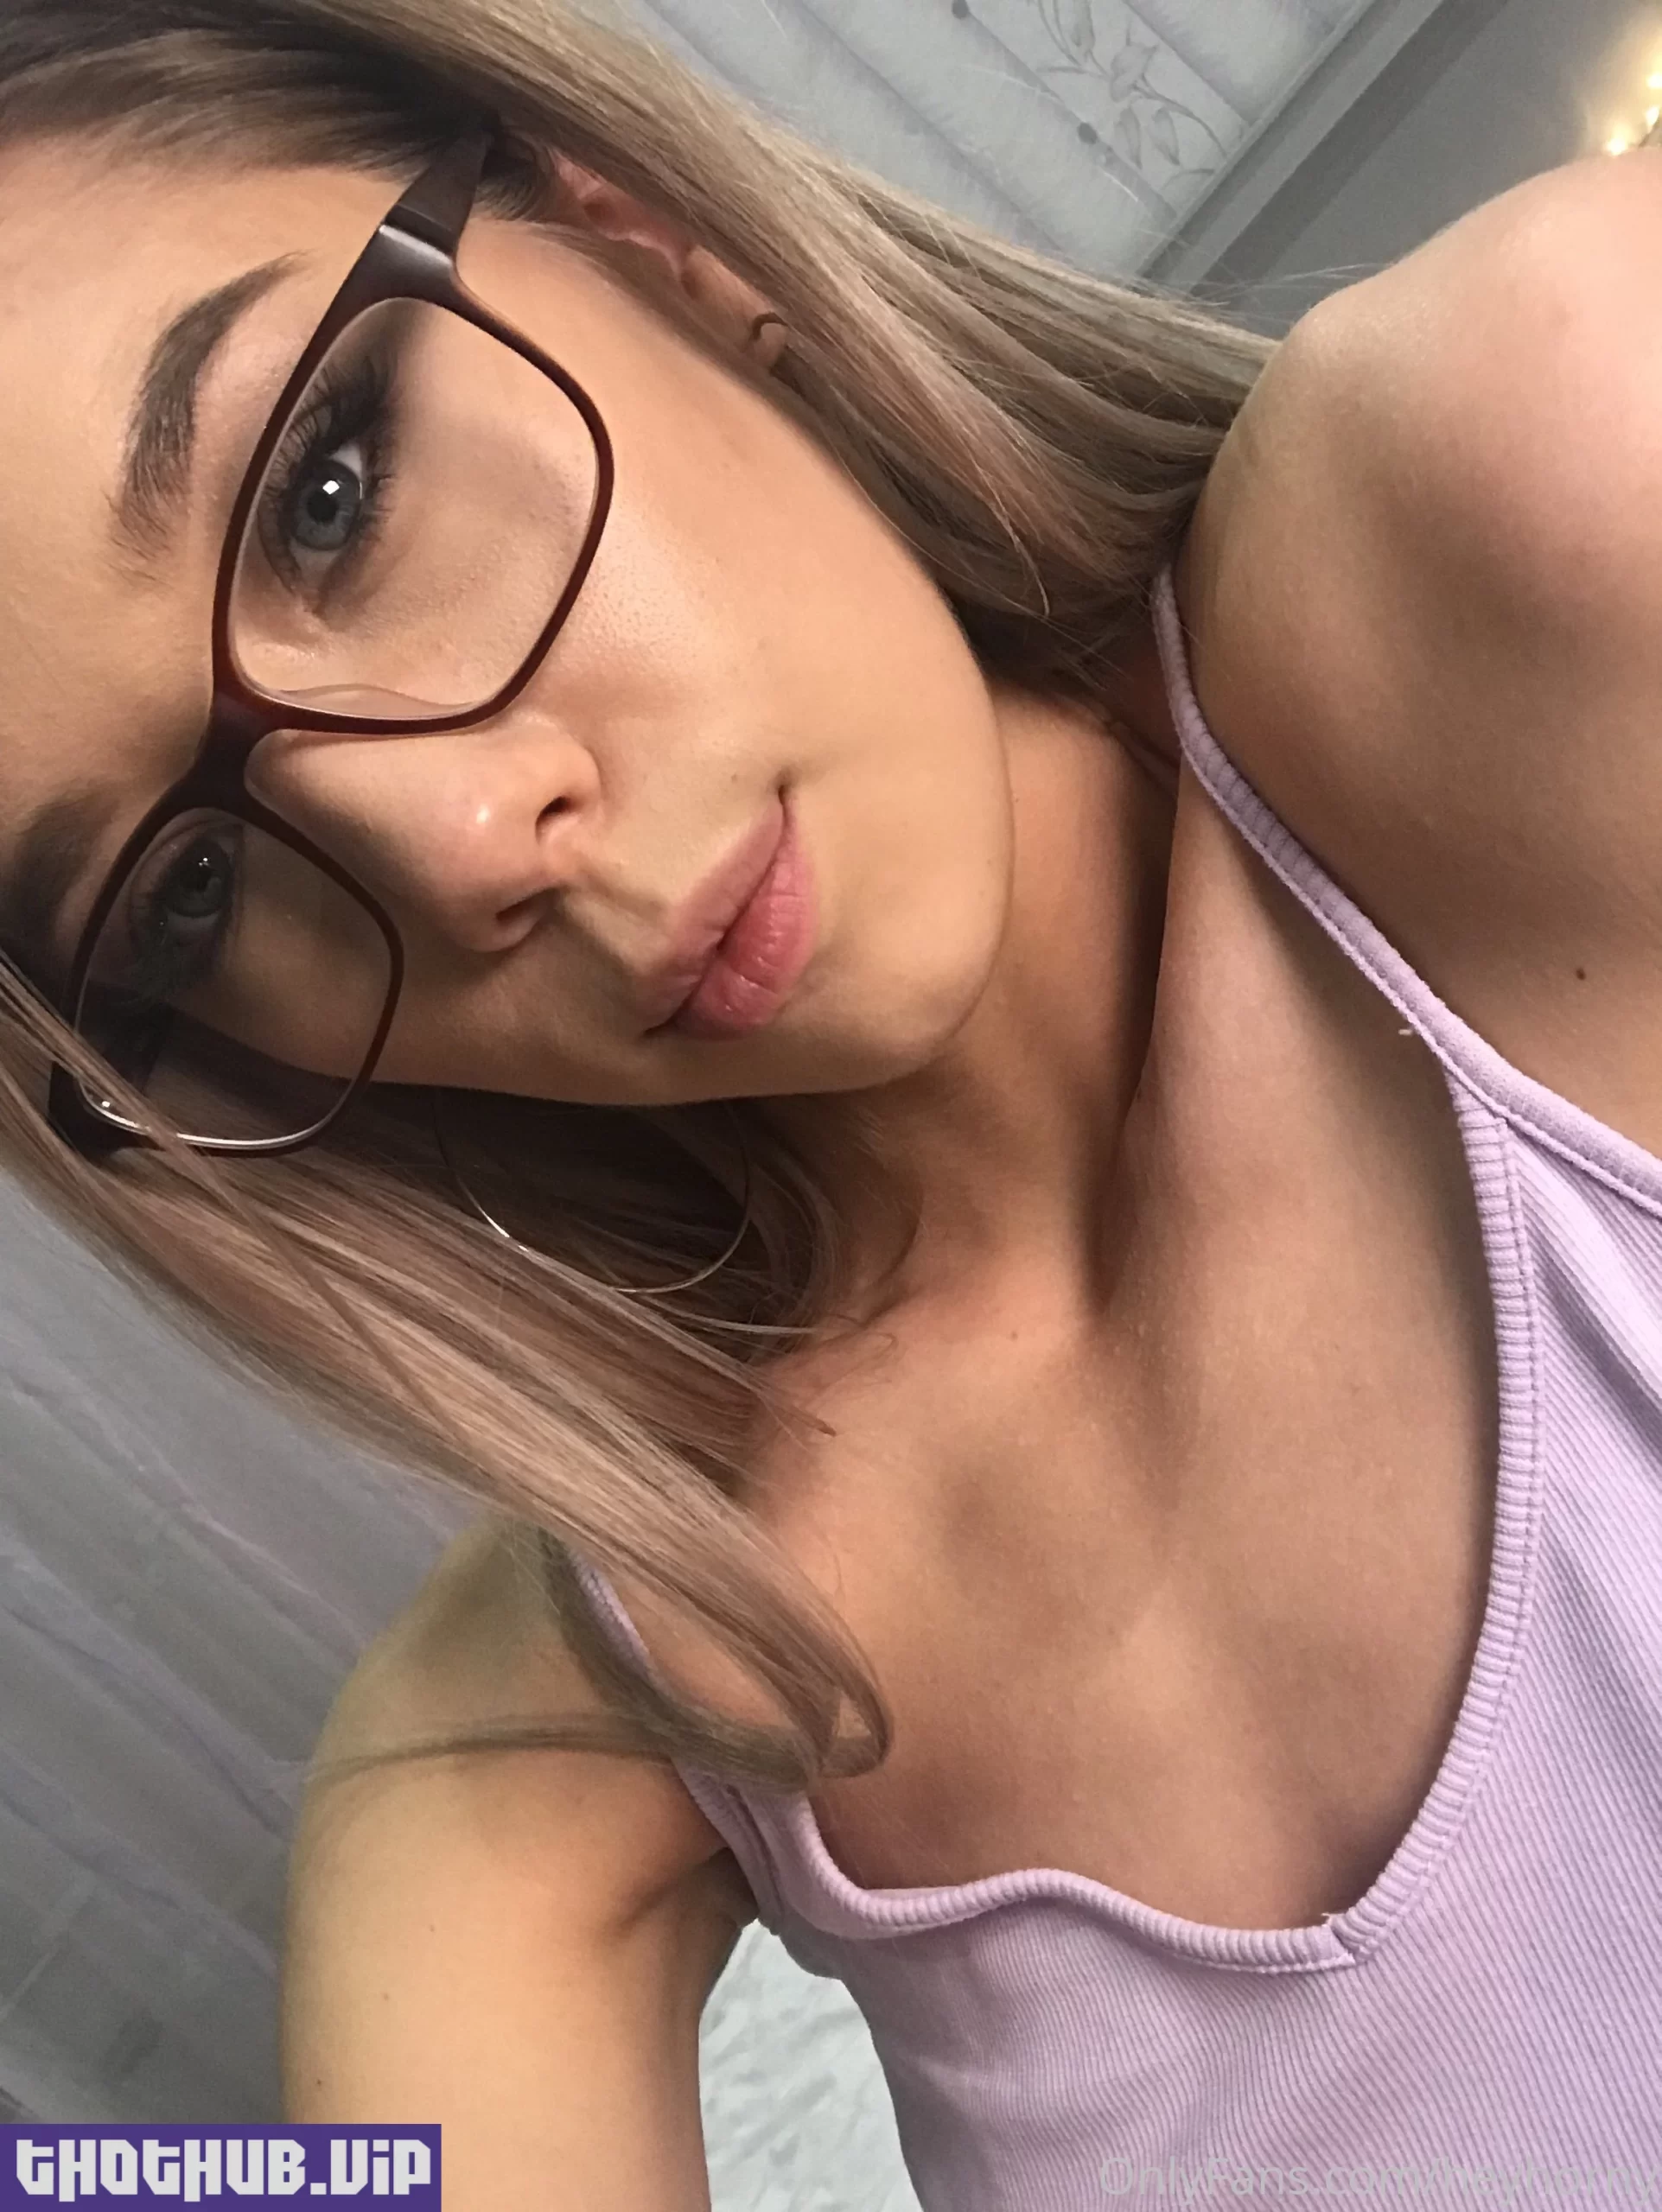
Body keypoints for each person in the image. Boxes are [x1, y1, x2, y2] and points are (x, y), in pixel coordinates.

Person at [1, 0, 1658, 2200]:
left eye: (332, 491)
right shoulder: (528, 1752)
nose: (465, 838)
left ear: (645, 238)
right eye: (188, 893)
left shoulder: (1553, 467)